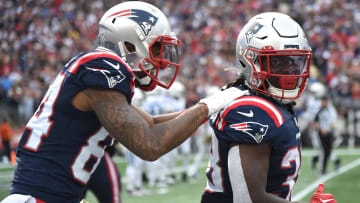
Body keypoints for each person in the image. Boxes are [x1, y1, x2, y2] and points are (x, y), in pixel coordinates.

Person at [1, 1, 248, 203]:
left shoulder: (95, 70)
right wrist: (208, 106)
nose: (161, 60)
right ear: (130, 42)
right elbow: (150, 144)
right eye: (157, 48)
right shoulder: (103, 67)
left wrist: (215, 102)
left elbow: (150, 123)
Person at [201, 12, 337, 203]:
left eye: (294, 62)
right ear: (250, 60)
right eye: (278, 63)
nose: (290, 71)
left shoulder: (271, 103)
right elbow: (247, 199)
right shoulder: (251, 109)